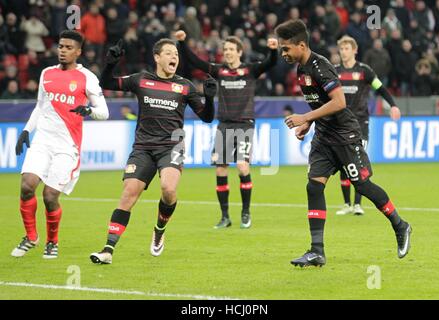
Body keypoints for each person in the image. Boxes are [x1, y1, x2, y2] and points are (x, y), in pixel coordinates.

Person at [275, 19, 412, 268]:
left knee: (362, 186)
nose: (283, 53)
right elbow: (320, 104)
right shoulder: (301, 70)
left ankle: (400, 225)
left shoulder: (321, 66)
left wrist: (304, 117)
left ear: (301, 45)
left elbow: (339, 103)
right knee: (313, 187)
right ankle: (317, 250)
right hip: (324, 137)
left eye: (286, 48)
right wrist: (309, 124)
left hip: (345, 136)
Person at [90, 38, 217, 264]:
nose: (174, 57)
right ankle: (108, 249)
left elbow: (207, 117)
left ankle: (159, 230)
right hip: (143, 147)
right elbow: (106, 83)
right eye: (168, 53)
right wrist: (110, 63)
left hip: (173, 146)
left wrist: (209, 98)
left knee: (168, 190)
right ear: (157, 57)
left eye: (176, 54)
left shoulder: (185, 86)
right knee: (128, 193)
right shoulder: (141, 80)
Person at [12, 30, 109, 259]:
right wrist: (26, 130)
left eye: (68, 47)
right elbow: (39, 106)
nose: (62, 51)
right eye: (60, 46)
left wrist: (89, 110)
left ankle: (52, 242)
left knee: (50, 196)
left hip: (67, 146)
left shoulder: (88, 78)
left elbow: (104, 112)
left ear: (78, 52)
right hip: (43, 140)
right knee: (27, 186)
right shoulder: (47, 73)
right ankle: (31, 237)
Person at [175, 30, 278, 229]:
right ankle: (225, 217)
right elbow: (195, 61)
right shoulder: (219, 70)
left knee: (242, 166)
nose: (227, 52)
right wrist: (183, 43)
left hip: (244, 123)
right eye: (225, 49)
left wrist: (273, 51)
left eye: (231, 49)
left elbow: (270, 63)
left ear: (240, 52)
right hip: (224, 124)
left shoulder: (250, 70)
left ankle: (246, 212)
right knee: (221, 169)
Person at [335, 35, 401, 216]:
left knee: (357, 160)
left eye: (347, 48)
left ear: (355, 50)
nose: (343, 52)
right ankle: (347, 204)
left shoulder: (364, 71)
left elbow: (380, 88)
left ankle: (357, 204)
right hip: (340, 123)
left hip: (360, 122)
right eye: (341, 49)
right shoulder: (335, 72)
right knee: (343, 162)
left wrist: (393, 105)